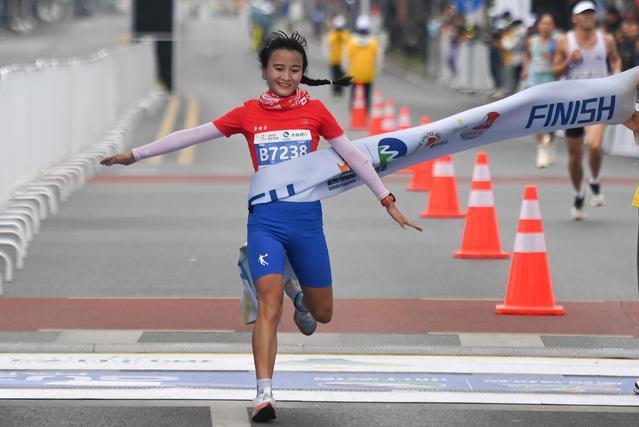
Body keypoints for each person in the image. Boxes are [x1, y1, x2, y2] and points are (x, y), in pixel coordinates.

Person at [100, 31, 421, 423]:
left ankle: (298, 292)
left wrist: (387, 200)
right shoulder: (248, 113)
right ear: (265, 71)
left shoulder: (317, 112)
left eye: (295, 70)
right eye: (278, 68)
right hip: (265, 222)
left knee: (322, 315)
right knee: (269, 305)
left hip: (306, 222)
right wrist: (136, 154)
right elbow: (193, 134)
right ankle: (263, 395)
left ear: (303, 74)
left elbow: (354, 155)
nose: (286, 76)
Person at [552, 0, 621, 220]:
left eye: (591, 13)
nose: (588, 17)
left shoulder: (606, 40)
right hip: (573, 103)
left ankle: (594, 179)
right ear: (575, 18)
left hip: (597, 102)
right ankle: (578, 194)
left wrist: (617, 75)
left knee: (594, 145)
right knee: (574, 157)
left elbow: (616, 60)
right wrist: (570, 62)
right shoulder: (565, 42)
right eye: (584, 14)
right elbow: (555, 72)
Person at [521, 13, 558, 168]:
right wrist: (525, 68)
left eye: (549, 24)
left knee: (552, 119)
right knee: (537, 118)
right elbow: (527, 56)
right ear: (538, 26)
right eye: (543, 23)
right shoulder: (532, 41)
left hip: (551, 83)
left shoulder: (557, 43)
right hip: (535, 83)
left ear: (553, 26)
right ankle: (541, 150)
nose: (546, 27)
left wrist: (551, 58)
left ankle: (550, 142)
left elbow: (561, 61)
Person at [347, 15, 379, 112]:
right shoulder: (373, 42)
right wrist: (377, 69)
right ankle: (366, 108)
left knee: (354, 92)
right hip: (368, 73)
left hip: (355, 73)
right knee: (367, 93)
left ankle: (353, 107)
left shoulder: (352, 41)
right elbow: (377, 58)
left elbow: (348, 56)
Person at [326, 14, 349, 97]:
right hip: (334, 59)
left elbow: (348, 44)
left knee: (341, 76)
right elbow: (329, 43)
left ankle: (340, 91)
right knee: (335, 76)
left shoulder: (345, 34)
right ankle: (335, 90)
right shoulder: (332, 34)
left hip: (343, 60)